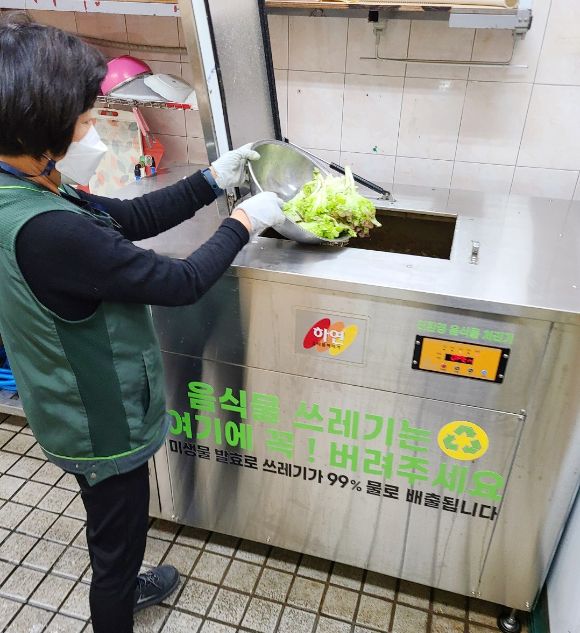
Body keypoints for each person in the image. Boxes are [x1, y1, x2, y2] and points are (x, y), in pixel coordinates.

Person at [0, 14, 286, 633]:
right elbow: (179, 284)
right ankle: (119, 602)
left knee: (111, 522)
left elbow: (122, 219)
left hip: (62, 394)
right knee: (117, 541)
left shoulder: (21, 180)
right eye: (83, 118)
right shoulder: (50, 230)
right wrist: (245, 222)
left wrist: (211, 180)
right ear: (38, 127)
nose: (90, 127)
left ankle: (124, 581)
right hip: (97, 418)